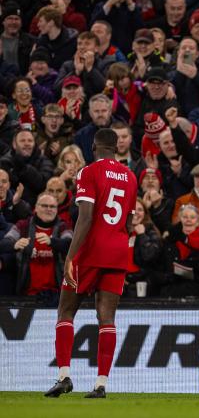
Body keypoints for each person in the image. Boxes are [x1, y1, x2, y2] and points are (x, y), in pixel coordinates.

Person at [45, 128, 137, 399]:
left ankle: (64, 377)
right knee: (106, 318)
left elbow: (85, 218)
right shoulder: (131, 177)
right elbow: (130, 223)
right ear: (117, 147)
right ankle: (100, 384)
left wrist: (71, 257)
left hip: (90, 251)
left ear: (95, 147)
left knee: (65, 312)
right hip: (118, 251)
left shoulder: (88, 172)